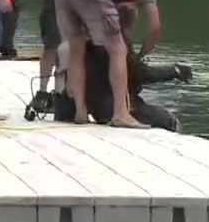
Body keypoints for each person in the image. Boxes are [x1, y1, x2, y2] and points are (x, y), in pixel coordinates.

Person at [55, 0, 172, 128]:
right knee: (118, 49)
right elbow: (155, 26)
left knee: (76, 49)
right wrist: (143, 52)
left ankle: (80, 112)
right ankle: (121, 114)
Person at [51, 7, 190, 132]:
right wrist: (175, 71)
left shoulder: (81, 44)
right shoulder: (118, 45)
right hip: (121, 109)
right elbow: (141, 74)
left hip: (96, 110)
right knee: (170, 121)